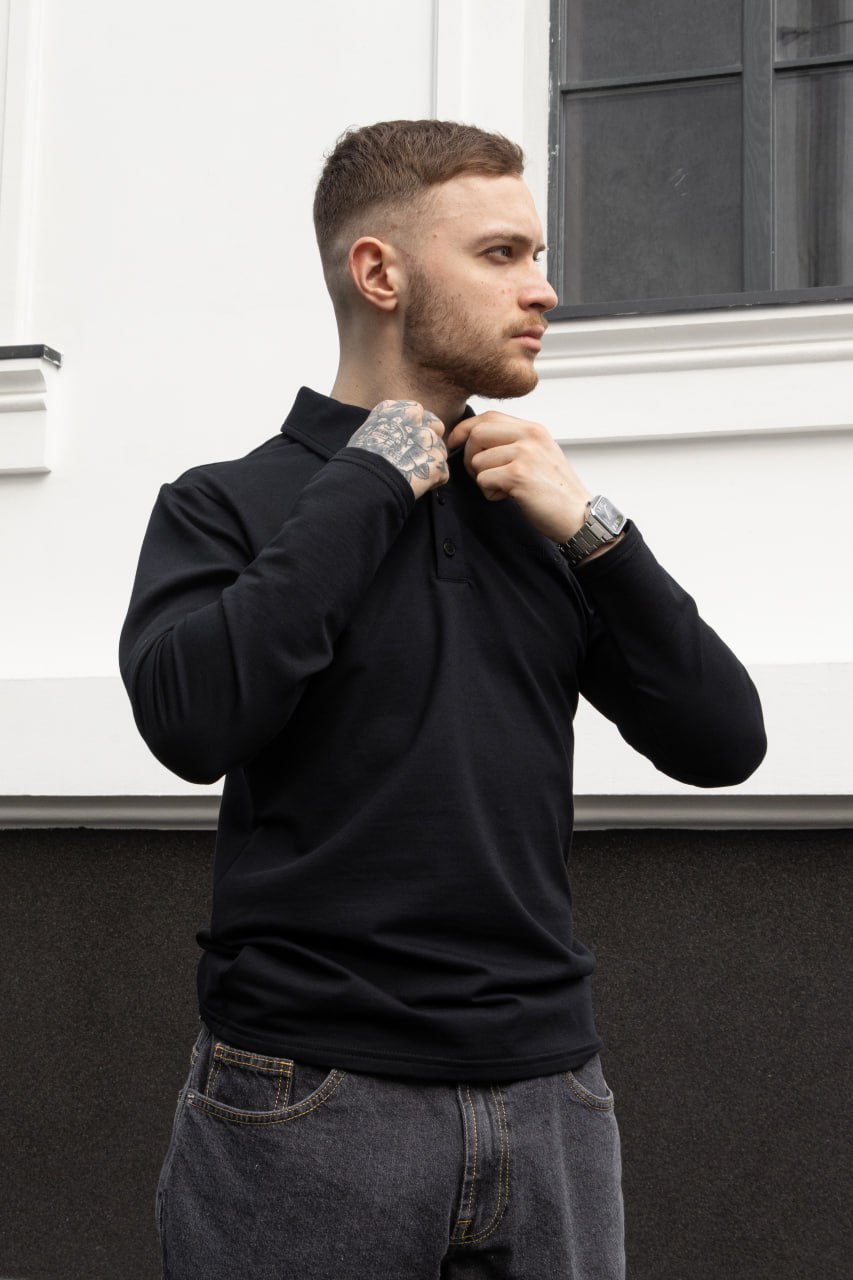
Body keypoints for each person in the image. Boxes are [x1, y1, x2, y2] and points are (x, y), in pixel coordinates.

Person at [119, 119, 766, 1280]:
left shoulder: (537, 513)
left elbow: (723, 740)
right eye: (503, 253)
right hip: (309, 1099)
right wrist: (372, 473)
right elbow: (190, 720)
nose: (544, 288)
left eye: (537, 255)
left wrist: (597, 531)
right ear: (380, 272)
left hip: (551, 1096)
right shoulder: (223, 504)